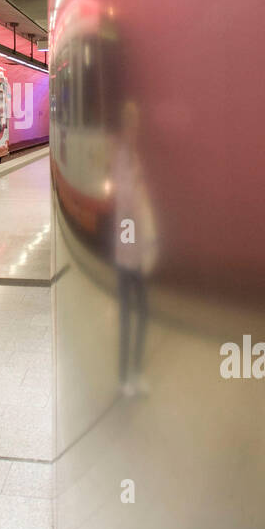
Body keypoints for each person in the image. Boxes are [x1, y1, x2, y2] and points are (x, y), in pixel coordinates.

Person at [113, 99, 158, 397]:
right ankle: (125, 377)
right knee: (132, 313)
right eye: (131, 121)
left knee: (138, 313)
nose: (135, 127)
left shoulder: (132, 156)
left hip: (134, 248)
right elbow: (127, 200)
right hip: (126, 248)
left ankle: (133, 373)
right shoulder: (122, 156)